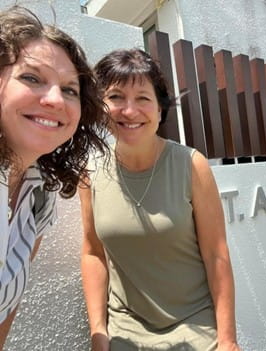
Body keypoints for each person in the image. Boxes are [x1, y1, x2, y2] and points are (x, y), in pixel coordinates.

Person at [79, 48, 240, 351]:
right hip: (125, 330)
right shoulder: (89, 173)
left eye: (142, 98)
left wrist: (228, 340)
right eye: (115, 97)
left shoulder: (191, 165)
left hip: (195, 328)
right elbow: (93, 253)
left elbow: (216, 254)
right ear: (100, 105)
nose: (129, 111)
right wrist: (98, 332)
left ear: (160, 108)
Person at [0, 6, 108, 349]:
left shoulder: (39, 196)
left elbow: (6, 308)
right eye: (32, 78)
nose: (54, 100)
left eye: (70, 90)